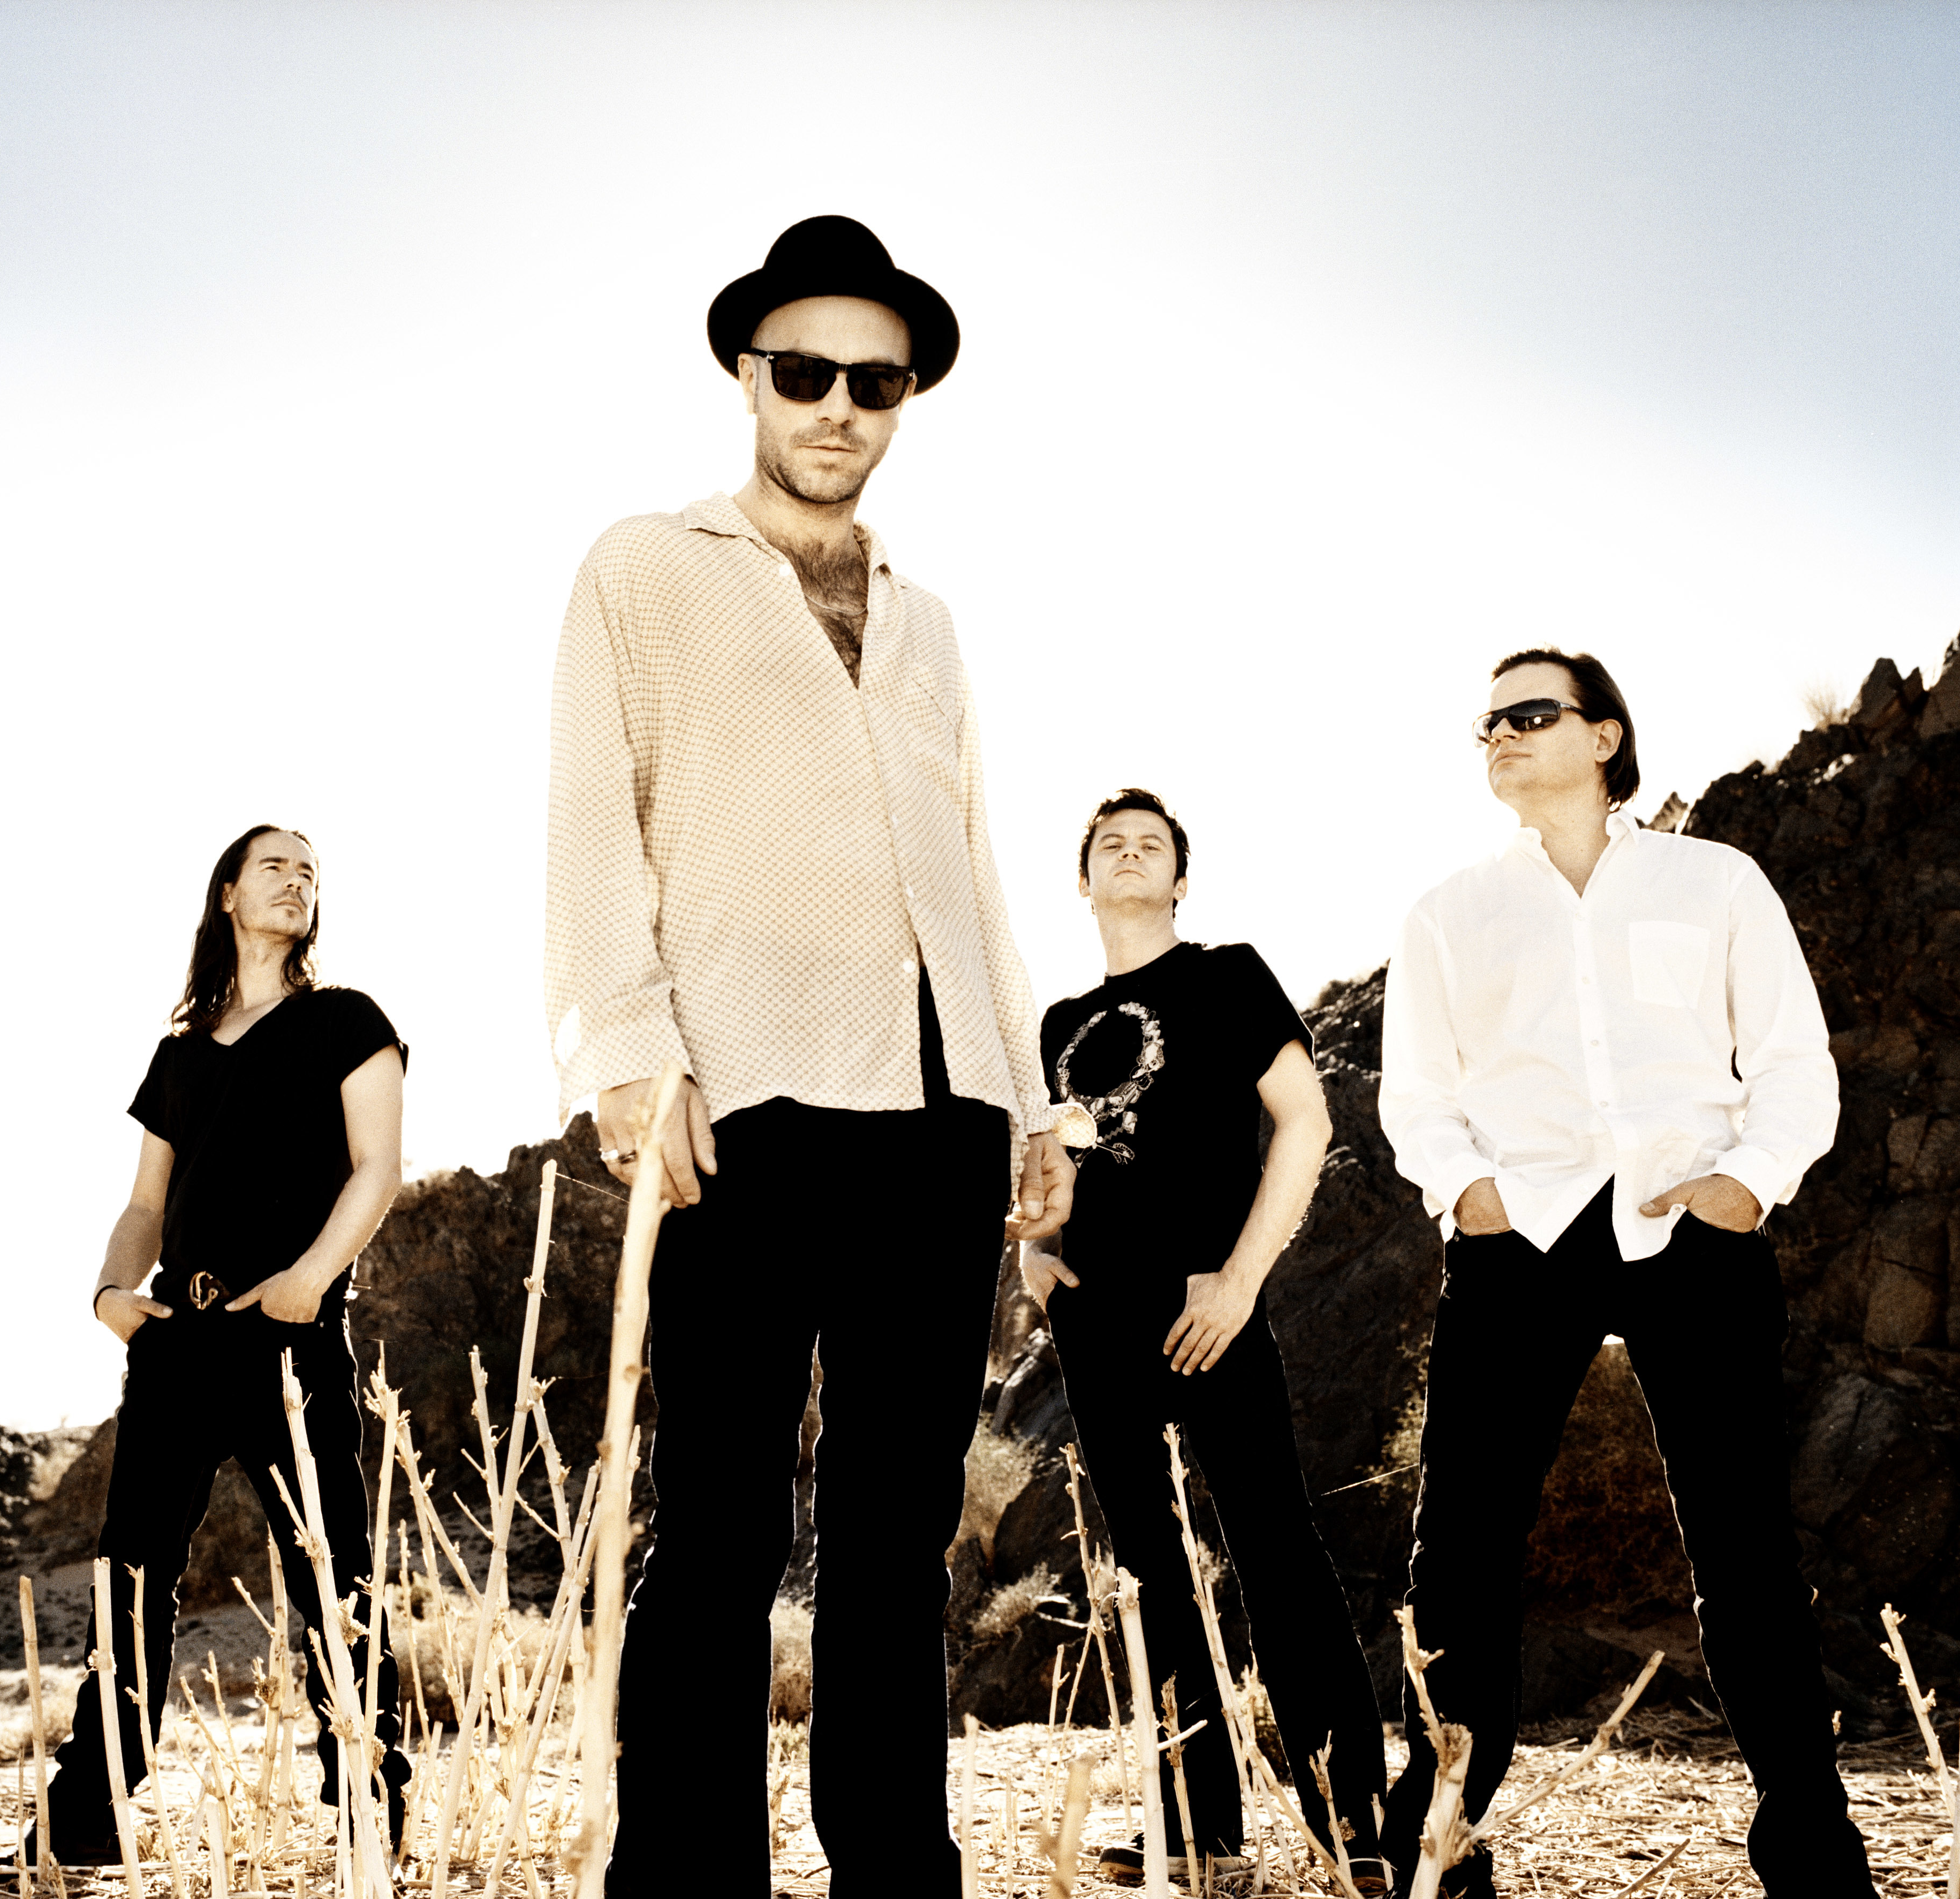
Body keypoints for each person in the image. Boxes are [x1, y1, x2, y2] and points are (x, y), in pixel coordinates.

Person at [543, 213, 1075, 1897]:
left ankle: (894, 1874)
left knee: (896, 1532)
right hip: (742, 1094)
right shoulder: (644, 565)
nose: (838, 404)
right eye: (805, 372)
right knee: (714, 1522)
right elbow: (590, 815)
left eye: (875, 380)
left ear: (904, 398)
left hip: (941, 1107)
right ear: (746, 374)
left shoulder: (932, 624)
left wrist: (1028, 1099)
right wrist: (627, 1046)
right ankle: (686, 1883)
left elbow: (974, 868)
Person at [1375, 650, 1871, 1898]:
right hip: (1517, 1239)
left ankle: (1813, 1852)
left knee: (1746, 1550)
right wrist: (1468, 1191)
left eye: (1531, 713)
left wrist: (1748, 1180)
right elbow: (1416, 1094)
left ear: (1605, 736)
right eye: (1487, 721)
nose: (1501, 733)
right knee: (1461, 1552)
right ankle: (1435, 1842)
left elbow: (1794, 1061)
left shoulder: (1717, 881)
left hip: (1691, 1229)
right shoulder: (1449, 913)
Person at [0, 823, 409, 1884]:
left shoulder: (348, 1020)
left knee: (332, 1577)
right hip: (176, 1343)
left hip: (290, 1339)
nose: (297, 880)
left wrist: (308, 1281)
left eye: (311, 871)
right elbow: (145, 1204)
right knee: (131, 1580)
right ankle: (86, 1824)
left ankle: (368, 1813)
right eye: (275, 865)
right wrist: (111, 1294)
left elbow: (378, 1167)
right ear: (228, 894)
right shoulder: (182, 1054)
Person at [1018, 789, 1386, 1892]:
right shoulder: (1059, 1022)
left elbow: (1308, 1121)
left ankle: (1356, 1825)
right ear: (1083, 880)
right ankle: (1198, 1829)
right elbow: (1049, 1164)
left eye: (1154, 845)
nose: (1131, 854)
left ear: (1181, 880)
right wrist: (1033, 1259)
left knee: (1278, 1552)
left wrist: (1240, 1280)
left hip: (1210, 1310)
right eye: (1110, 845)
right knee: (1151, 1571)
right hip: (1097, 1324)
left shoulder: (1229, 977)